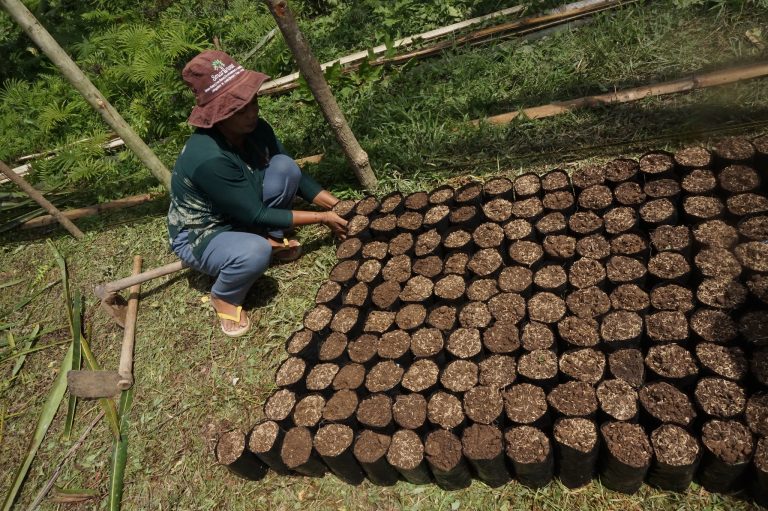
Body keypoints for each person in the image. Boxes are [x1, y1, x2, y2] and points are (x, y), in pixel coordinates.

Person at [167, 50, 348, 337]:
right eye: (239, 110)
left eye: (253, 102)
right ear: (218, 115)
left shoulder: (255, 129)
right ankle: (224, 296)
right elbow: (256, 213)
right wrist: (323, 218)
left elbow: (296, 176)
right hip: (203, 232)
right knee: (254, 252)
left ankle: (270, 238)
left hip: (241, 208)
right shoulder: (208, 158)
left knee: (285, 167)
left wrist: (338, 205)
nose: (252, 113)